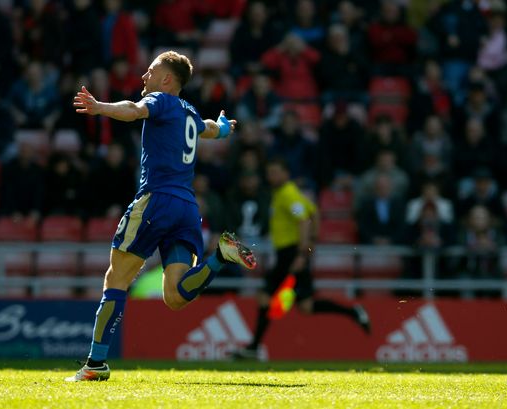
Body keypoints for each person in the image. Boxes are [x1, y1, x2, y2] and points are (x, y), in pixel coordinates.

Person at [65, 51, 257, 382]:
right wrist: (225, 128)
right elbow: (209, 129)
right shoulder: (191, 112)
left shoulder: (161, 101)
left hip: (156, 201)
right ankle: (220, 257)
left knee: (117, 278)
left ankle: (95, 364)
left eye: (151, 71)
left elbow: (134, 110)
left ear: (167, 79)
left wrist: (100, 108)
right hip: (187, 208)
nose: (144, 77)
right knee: (176, 296)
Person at [232, 158, 370, 360]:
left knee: (265, 296)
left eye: (276, 172)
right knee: (306, 306)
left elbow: (304, 219)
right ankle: (354, 312)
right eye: (270, 172)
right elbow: (313, 212)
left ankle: (253, 347)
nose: (272, 176)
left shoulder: (288, 195)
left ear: (286, 174)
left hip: (290, 254)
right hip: (290, 254)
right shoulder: (287, 193)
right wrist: (311, 244)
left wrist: (303, 253)